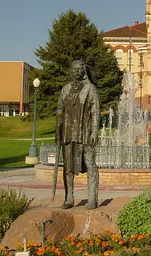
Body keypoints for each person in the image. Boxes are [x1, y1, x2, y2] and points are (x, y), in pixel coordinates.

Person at [55, 60, 100, 209]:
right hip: (68, 132)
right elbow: (60, 111)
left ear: (83, 72)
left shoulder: (90, 89)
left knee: (90, 164)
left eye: (79, 70)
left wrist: (94, 131)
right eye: (73, 69)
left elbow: (95, 112)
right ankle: (69, 198)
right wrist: (58, 130)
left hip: (86, 132)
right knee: (67, 167)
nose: (76, 72)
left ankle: (92, 198)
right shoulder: (65, 89)